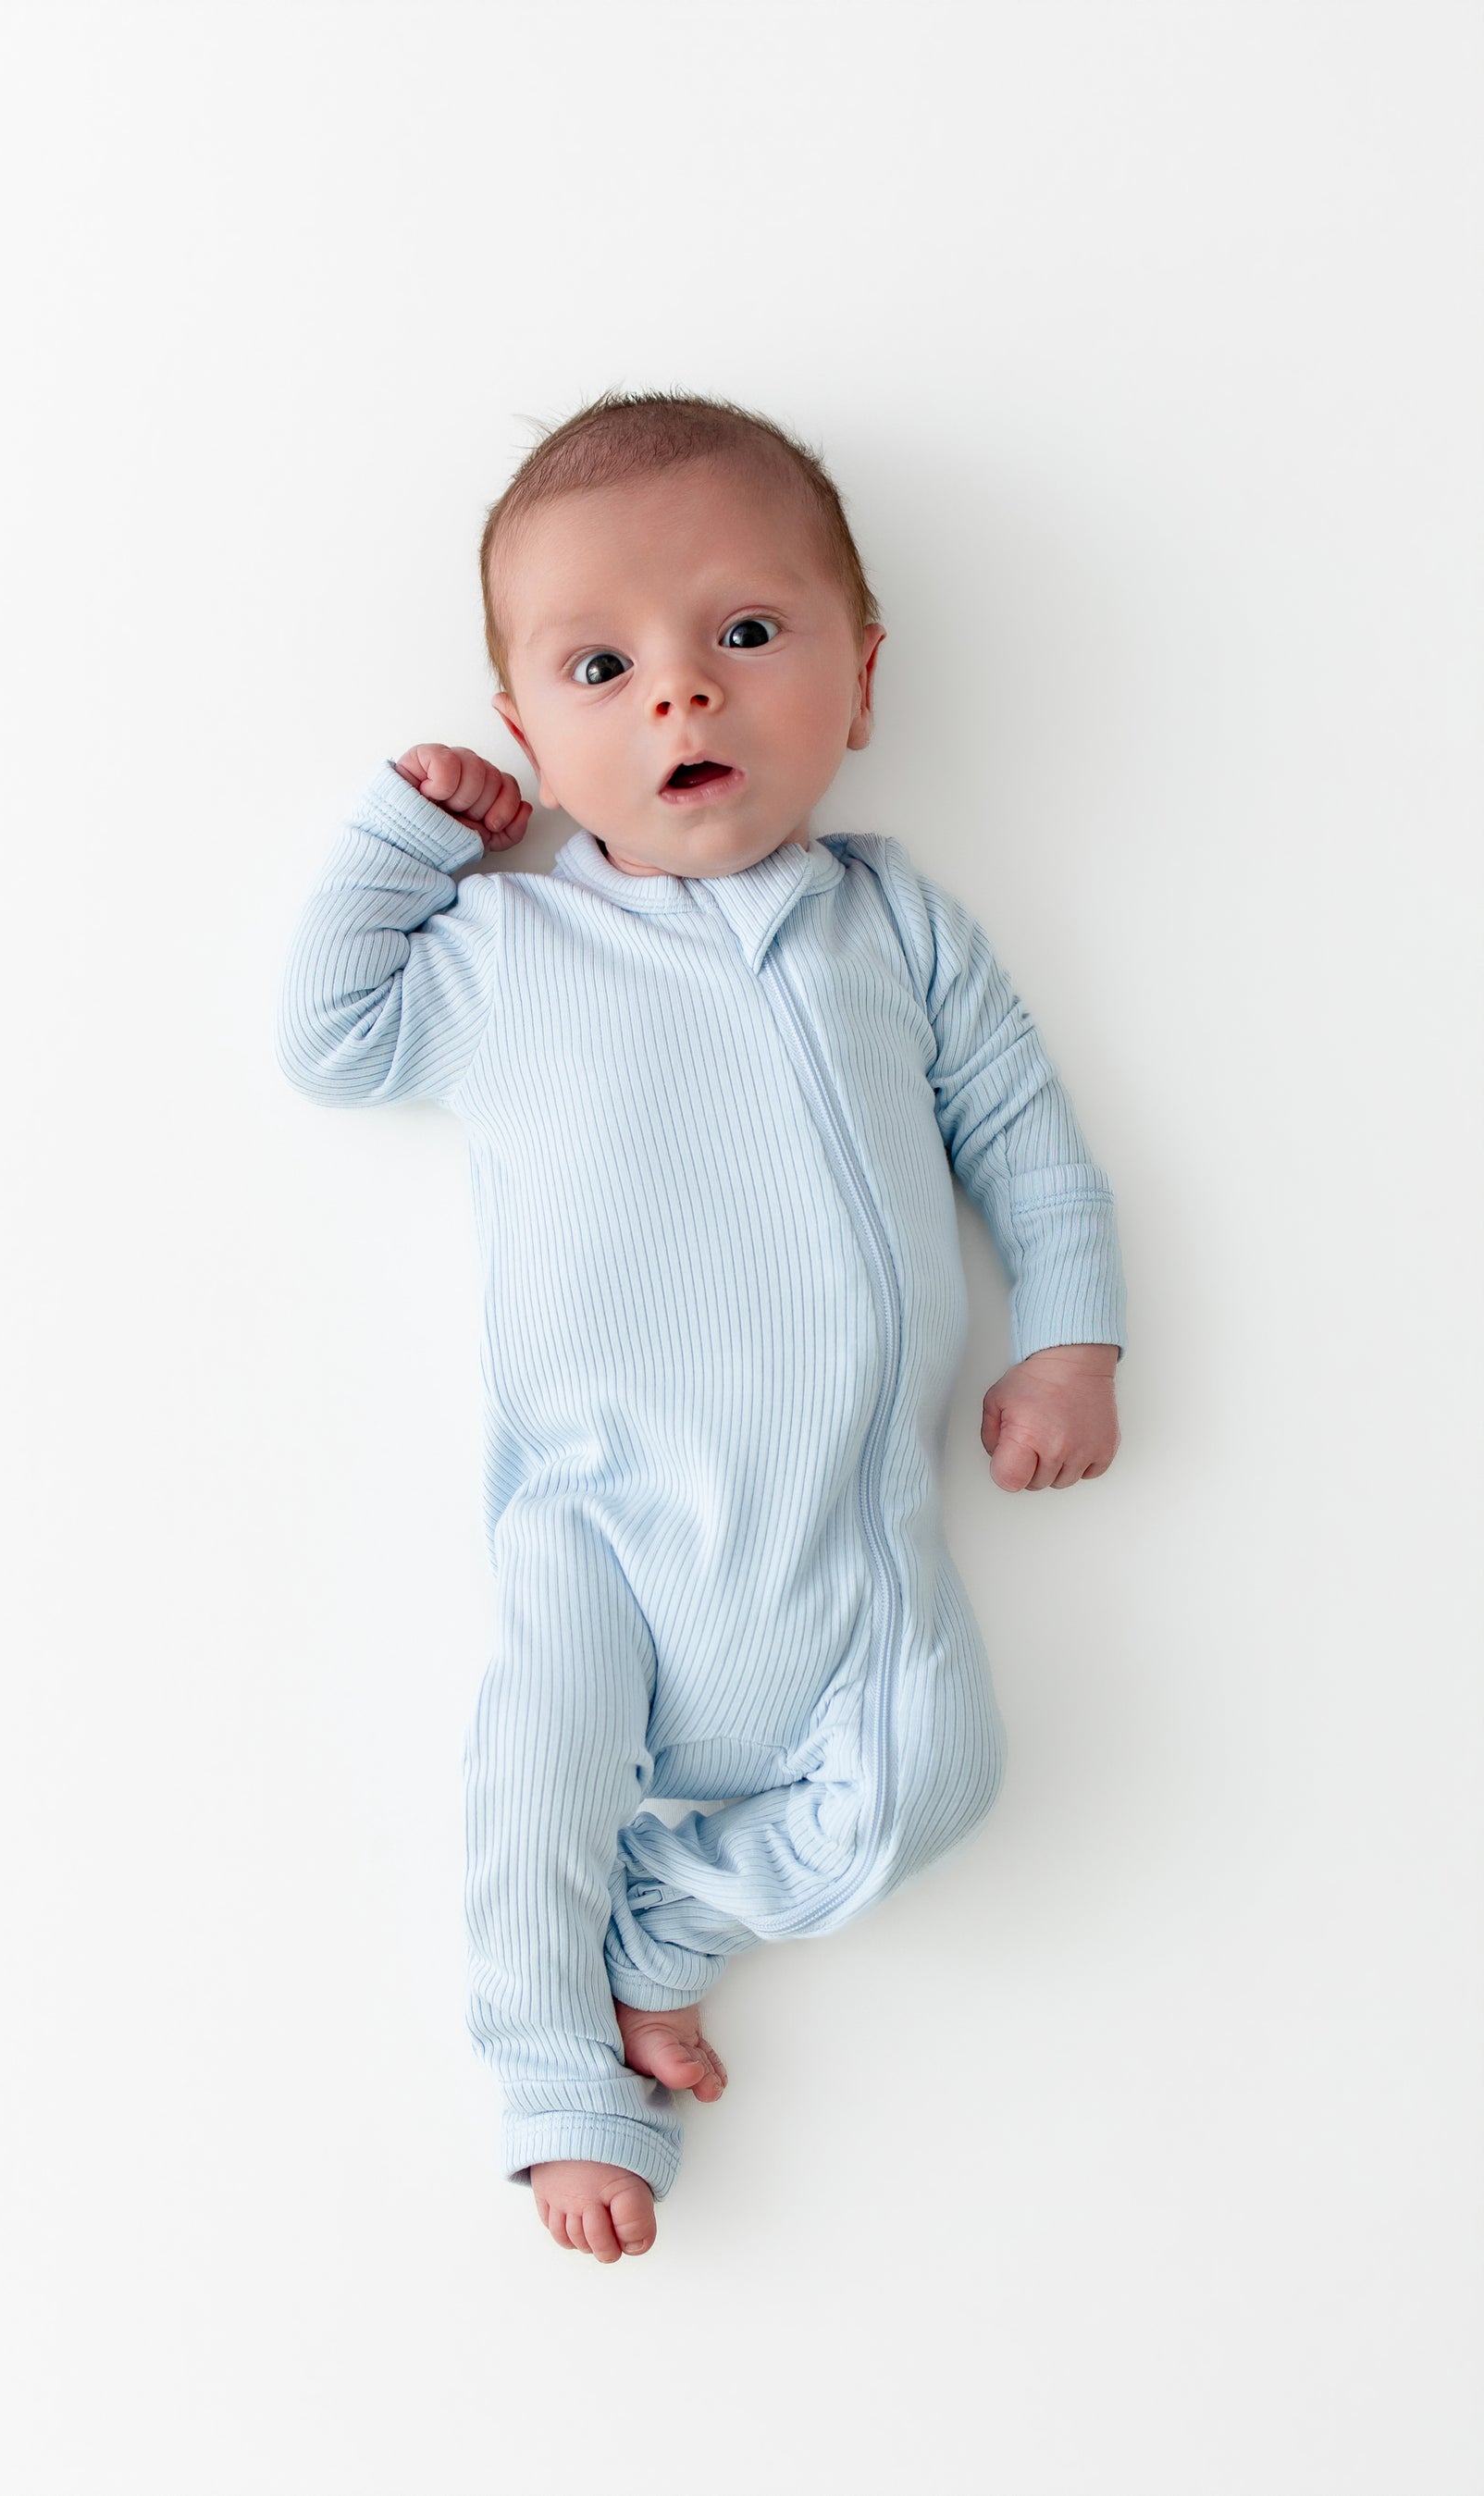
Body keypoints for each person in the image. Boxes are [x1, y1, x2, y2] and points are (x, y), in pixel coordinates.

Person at [275, 391, 1126, 2263]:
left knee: (946, 1775)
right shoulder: (506, 950)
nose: (683, 696)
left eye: (745, 635)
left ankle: (669, 1941)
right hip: (597, 1514)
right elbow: (328, 1045)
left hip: (849, 1519)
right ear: (531, 737)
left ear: (862, 678)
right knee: (536, 1786)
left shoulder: (893, 927)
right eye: (604, 664)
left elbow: (1028, 1140)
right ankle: (561, 2081)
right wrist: (406, 839)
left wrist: (1070, 1333)